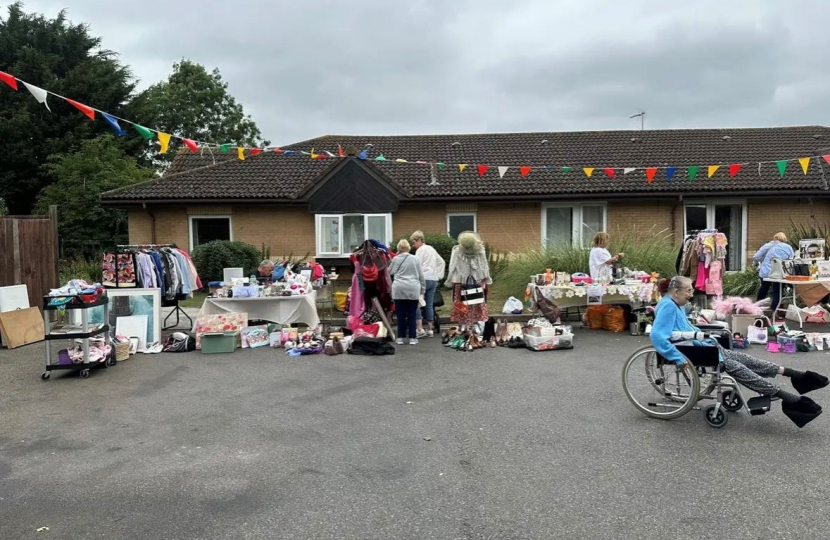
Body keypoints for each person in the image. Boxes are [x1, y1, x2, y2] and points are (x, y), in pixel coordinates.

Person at [650, 276, 828, 428]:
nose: (691, 294)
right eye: (688, 291)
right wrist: (677, 358)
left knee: (746, 359)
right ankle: (789, 399)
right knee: (741, 369)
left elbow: (684, 327)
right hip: (691, 351)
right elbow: (658, 336)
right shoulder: (668, 307)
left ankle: (795, 375)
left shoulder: (676, 305)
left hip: (704, 346)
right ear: (675, 292)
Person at [389, 239, 425, 345]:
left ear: (399, 248)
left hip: (399, 288)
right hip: (413, 288)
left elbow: (390, 271)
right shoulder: (415, 259)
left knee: (400, 314)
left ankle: (400, 337)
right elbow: (421, 275)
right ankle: (413, 338)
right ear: (409, 247)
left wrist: (396, 256)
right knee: (412, 313)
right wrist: (423, 289)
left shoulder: (395, 259)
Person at [410, 231, 446, 339]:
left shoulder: (420, 251)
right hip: (433, 279)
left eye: (414, 242)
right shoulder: (431, 249)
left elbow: (417, 265)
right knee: (429, 304)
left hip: (423, 279)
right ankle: (430, 329)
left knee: (417, 302)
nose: (413, 245)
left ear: (419, 240)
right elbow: (442, 262)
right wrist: (438, 275)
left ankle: (419, 328)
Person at [753, 232, 794, 312]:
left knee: (764, 287)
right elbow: (791, 259)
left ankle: (757, 306)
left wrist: (756, 263)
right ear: (784, 239)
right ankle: (774, 311)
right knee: (778, 291)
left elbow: (756, 256)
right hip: (779, 272)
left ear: (775, 238)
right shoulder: (788, 247)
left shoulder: (768, 245)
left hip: (766, 272)